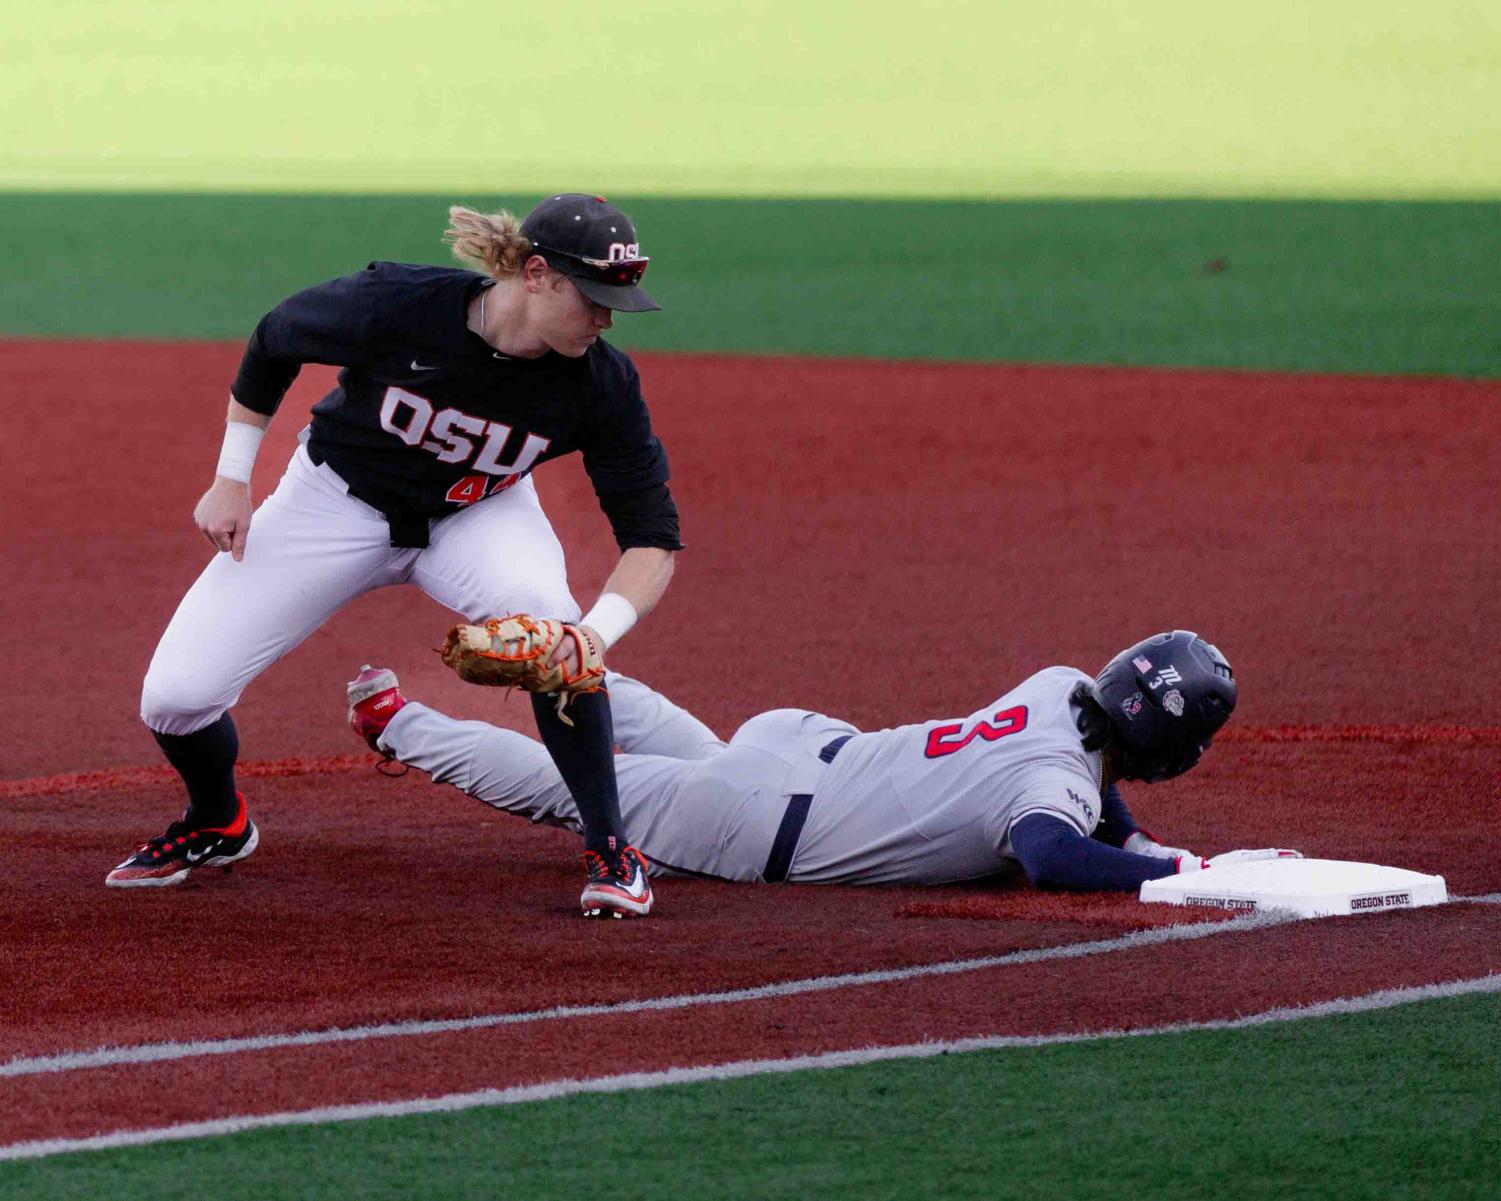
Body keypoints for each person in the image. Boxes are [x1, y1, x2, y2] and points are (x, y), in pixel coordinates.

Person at [109, 193, 680, 918]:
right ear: (536, 274)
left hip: (477, 515)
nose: (604, 319)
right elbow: (276, 336)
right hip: (334, 502)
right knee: (176, 697)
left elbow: (652, 538)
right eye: (593, 299)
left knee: (551, 634)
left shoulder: (601, 383)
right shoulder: (401, 305)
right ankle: (217, 821)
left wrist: (586, 639)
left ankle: (610, 848)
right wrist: (231, 477)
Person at [344, 631, 1300, 895]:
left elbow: (1094, 789)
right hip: (758, 821)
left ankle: (571, 660)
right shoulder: (1046, 791)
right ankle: (397, 719)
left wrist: (1139, 836)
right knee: (570, 790)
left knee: (683, 745)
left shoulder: (1056, 686)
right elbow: (1053, 851)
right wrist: (1165, 869)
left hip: (794, 741)